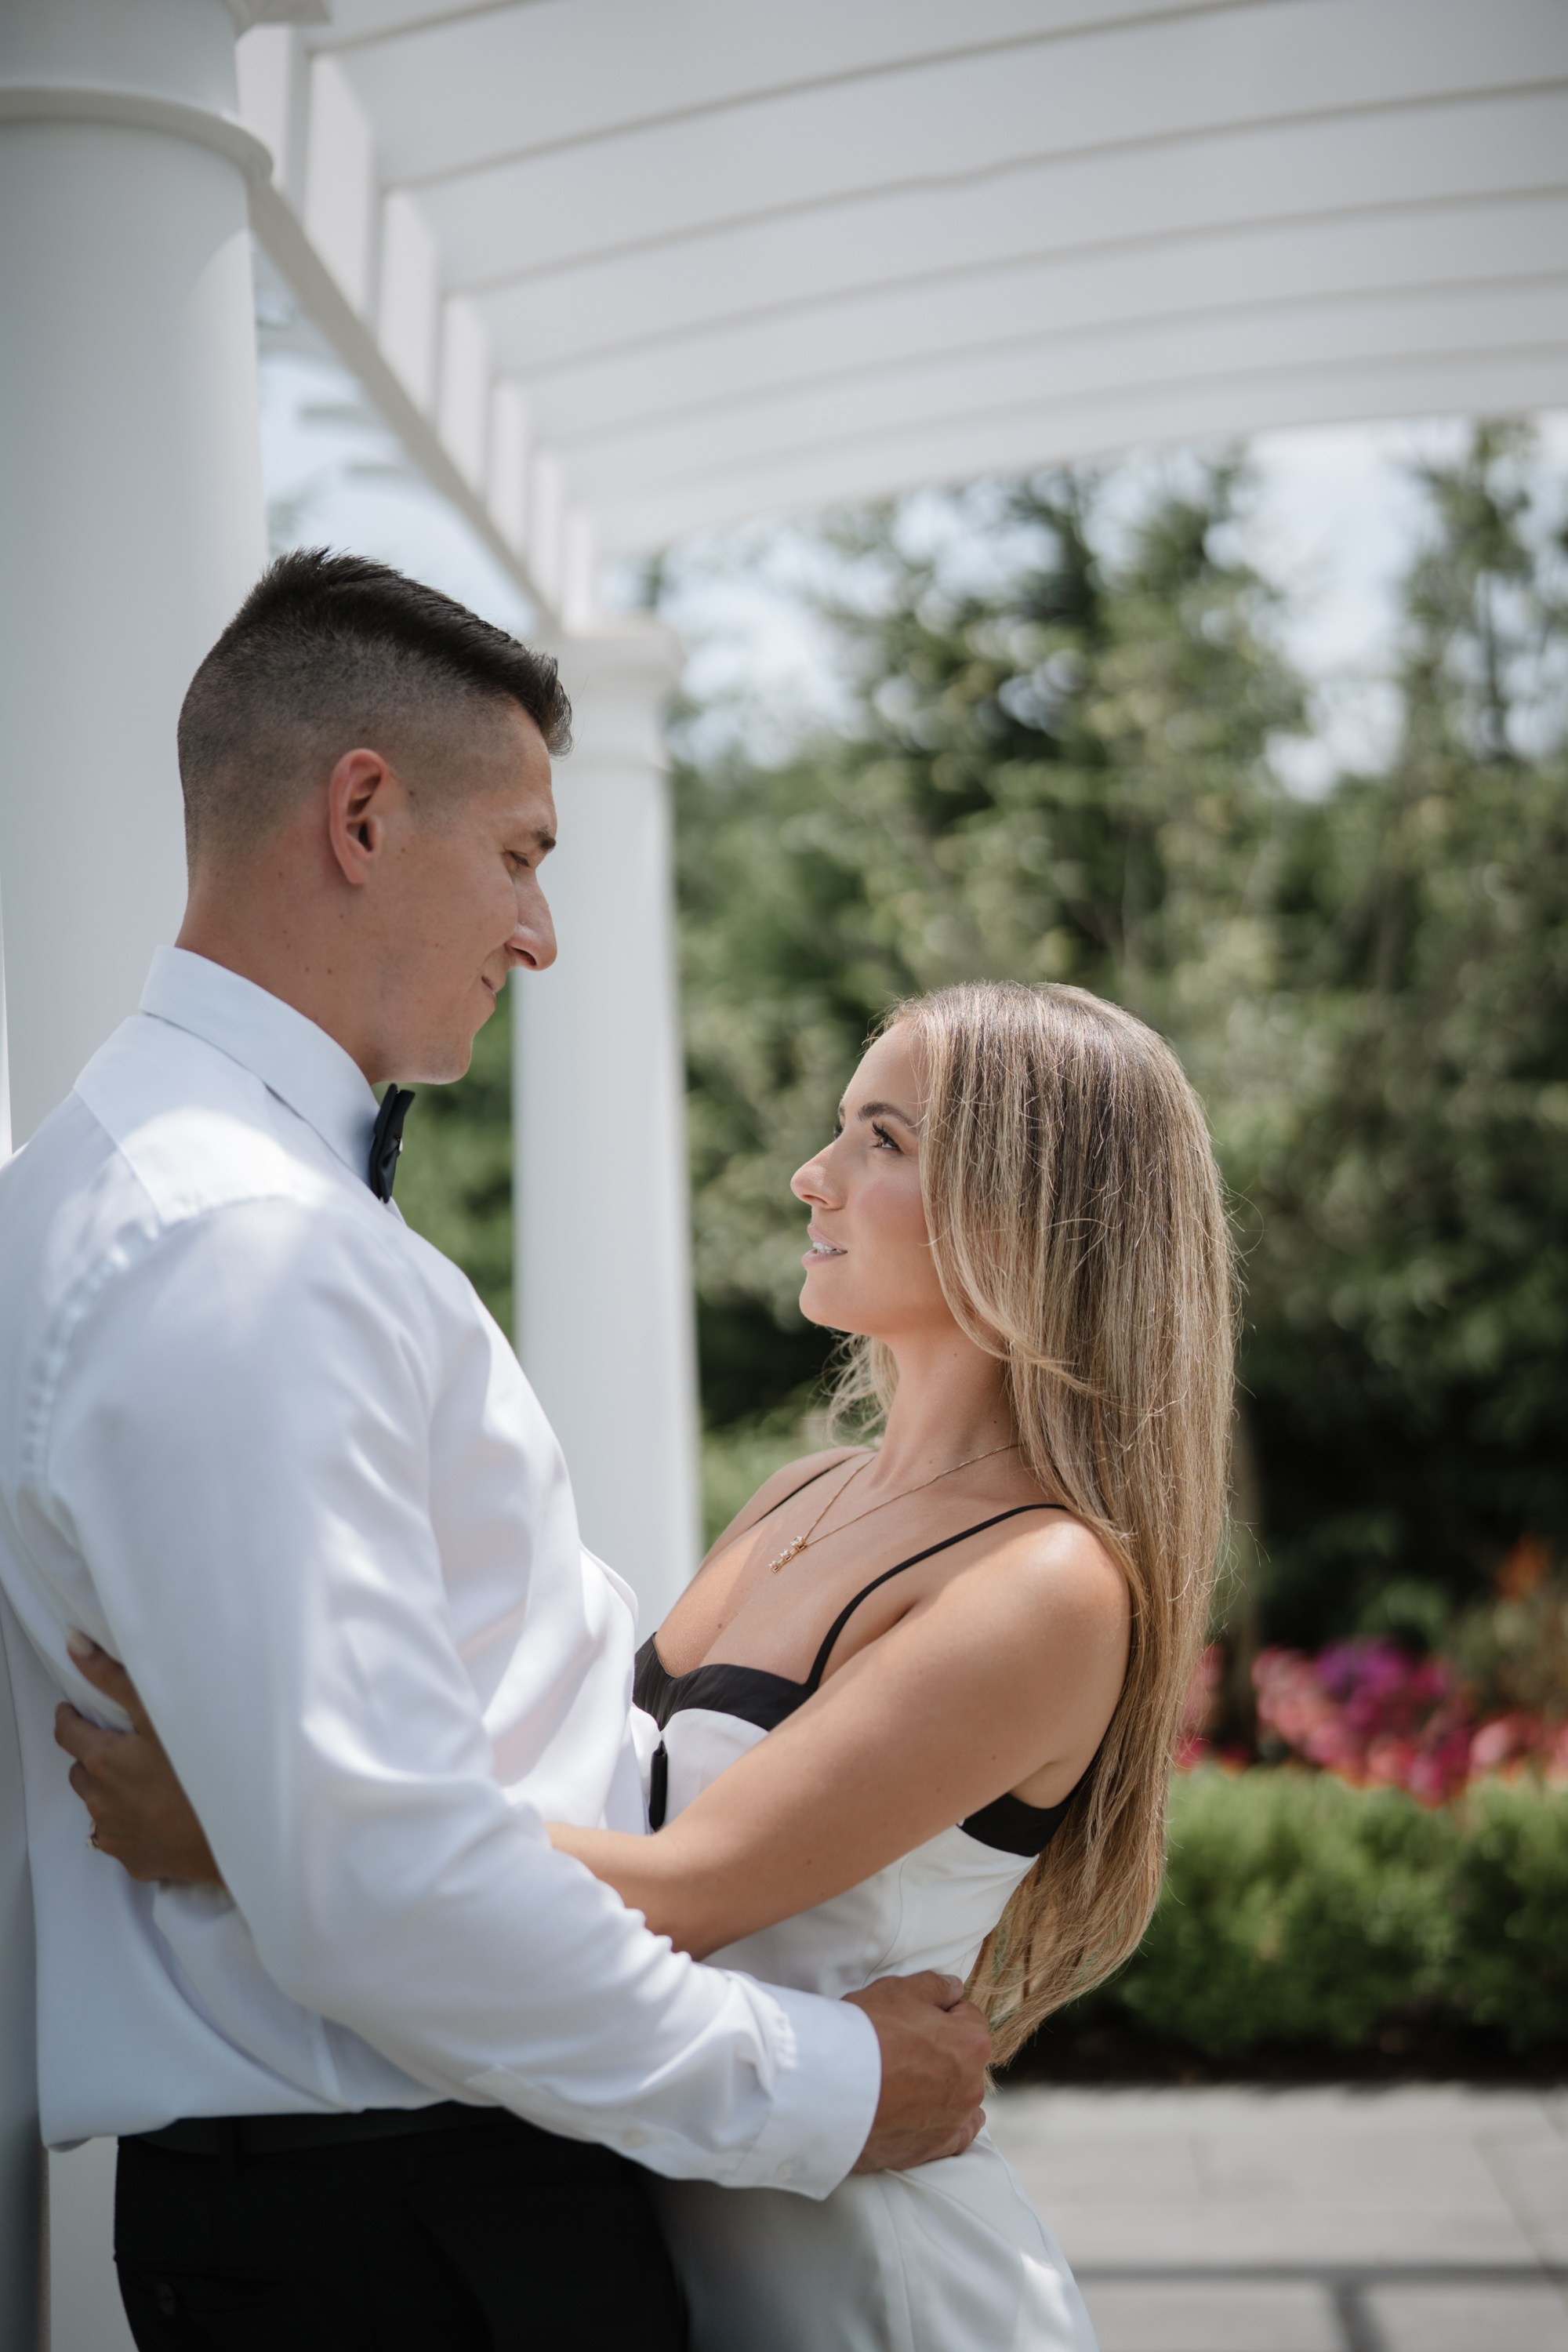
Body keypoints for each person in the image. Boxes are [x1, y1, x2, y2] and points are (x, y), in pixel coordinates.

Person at [0, 550, 990, 2352]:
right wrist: (829, 2087)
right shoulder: (243, 1246)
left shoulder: (144, 1185)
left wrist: (257, 1821)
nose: (540, 934)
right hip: (416, 2228)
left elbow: (389, 1778)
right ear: (363, 815)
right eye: (526, 855)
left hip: (395, 2197)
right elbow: (386, 1890)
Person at [63, 974, 1236, 2350]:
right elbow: (598, 1781)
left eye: (884, 1142)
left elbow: (682, 1892)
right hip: (688, 2220)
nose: (814, 1176)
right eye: (842, 1130)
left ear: (1032, 1208)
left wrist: (257, 1823)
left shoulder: (1045, 1581)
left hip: (870, 2280)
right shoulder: (804, 1498)